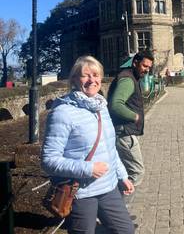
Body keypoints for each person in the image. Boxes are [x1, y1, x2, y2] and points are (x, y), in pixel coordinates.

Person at [41, 56, 135, 234]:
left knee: (125, 229)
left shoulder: (101, 106)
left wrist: (122, 176)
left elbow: (109, 148)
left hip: (108, 186)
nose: (92, 80)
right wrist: (88, 169)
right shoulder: (62, 112)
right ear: (75, 80)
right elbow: (48, 160)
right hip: (80, 192)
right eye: (86, 75)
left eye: (96, 74)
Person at [108, 51, 154, 187]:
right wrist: (135, 116)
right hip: (125, 133)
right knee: (137, 172)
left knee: (124, 172)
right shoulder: (127, 79)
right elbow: (116, 105)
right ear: (135, 63)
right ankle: (118, 205)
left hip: (125, 132)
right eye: (145, 66)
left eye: (149, 67)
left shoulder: (130, 77)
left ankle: (114, 204)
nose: (147, 70)